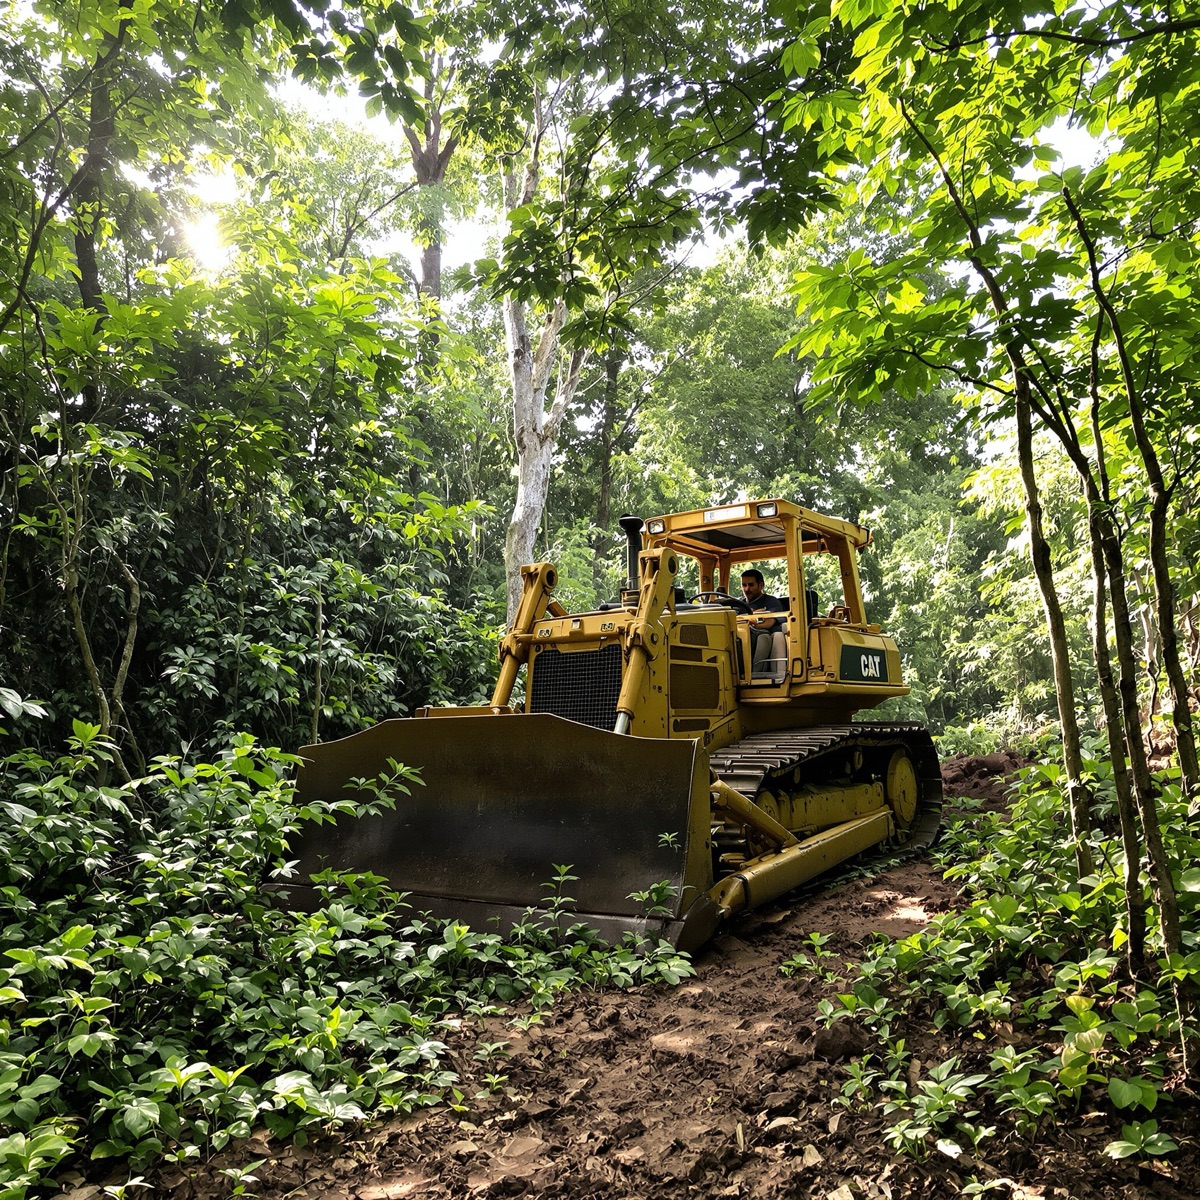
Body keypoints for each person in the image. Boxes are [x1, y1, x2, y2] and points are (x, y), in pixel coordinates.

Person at [740, 569, 786, 672]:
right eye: (744, 585)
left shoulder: (771, 602)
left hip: (761, 639)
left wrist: (751, 620)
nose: (747, 589)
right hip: (742, 640)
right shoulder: (738, 605)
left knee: (764, 637)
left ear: (761, 585)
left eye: (751, 585)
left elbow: (769, 622)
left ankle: (755, 673)